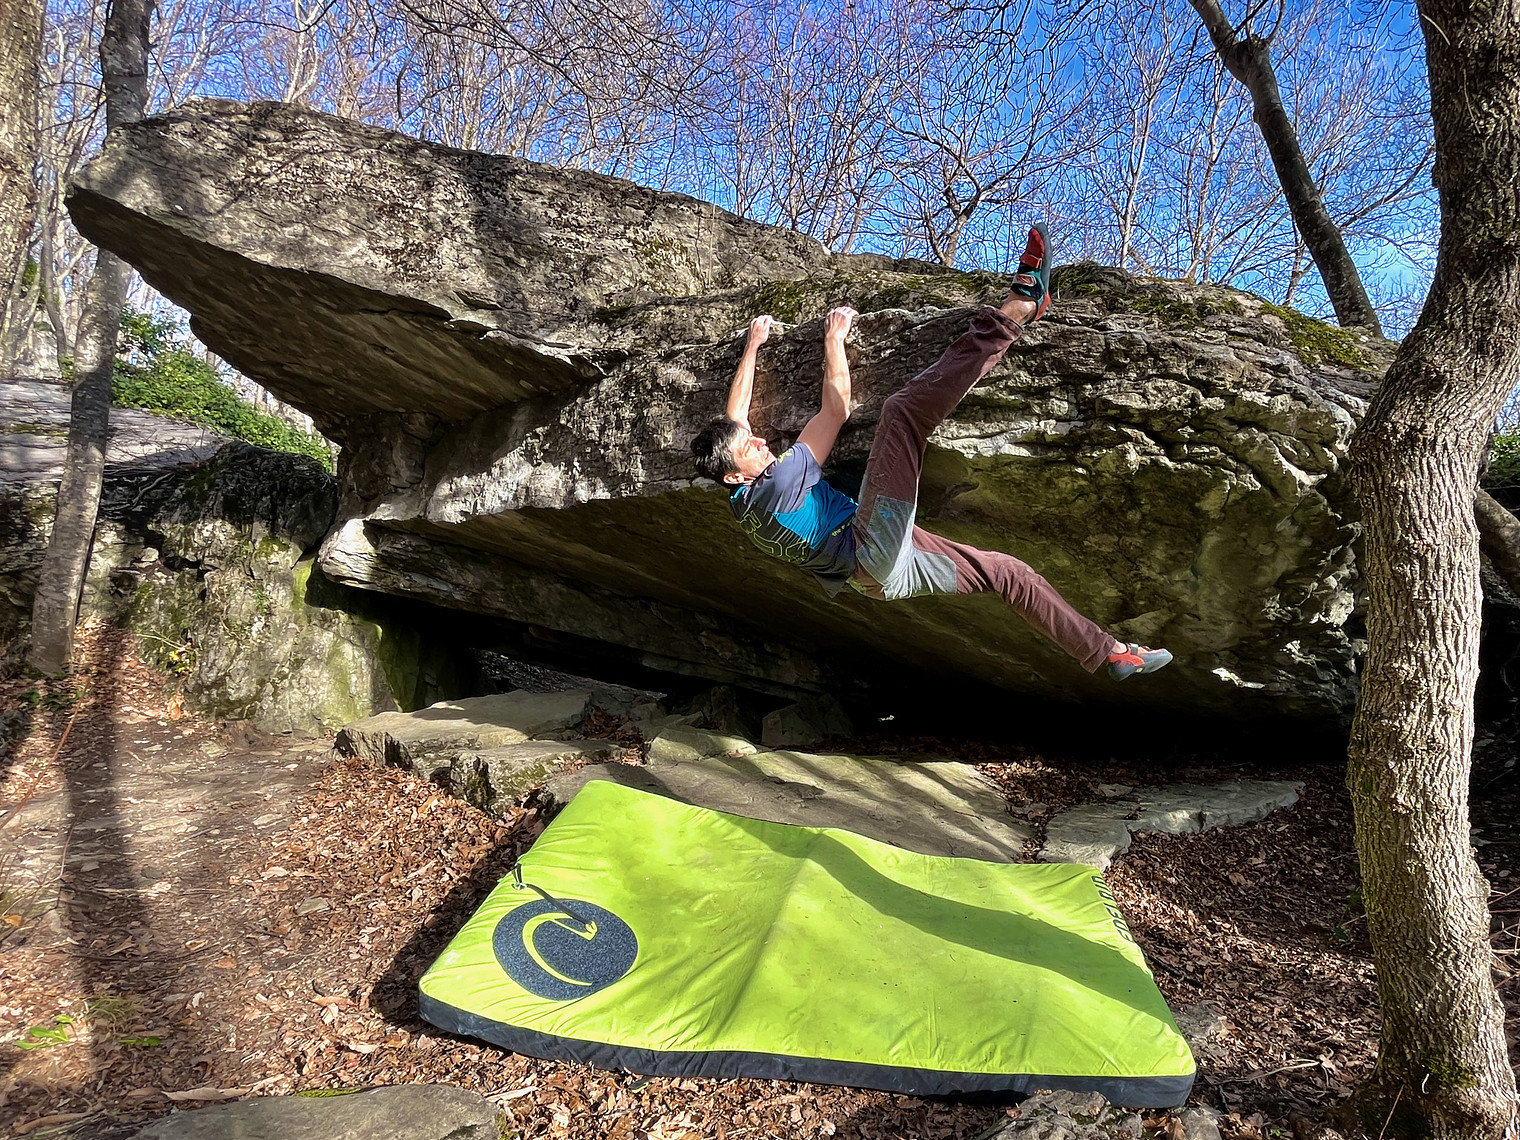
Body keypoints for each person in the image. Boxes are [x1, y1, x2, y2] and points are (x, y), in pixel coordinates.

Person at [690, 224, 1172, 682]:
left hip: (880, 581)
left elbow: (736, 418)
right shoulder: (780, 480)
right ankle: (1018, 309)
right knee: (901, 413)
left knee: (1008, 574)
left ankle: (1109, 652)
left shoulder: (743, 503)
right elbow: (835, 410)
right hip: (872, 546)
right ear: (735, 475)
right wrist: (834, 339)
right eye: (750, 447)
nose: (759, 440)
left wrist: (753, 345)